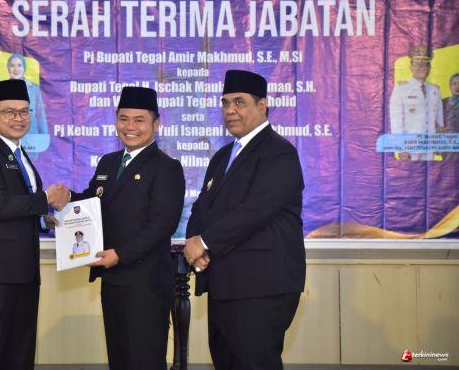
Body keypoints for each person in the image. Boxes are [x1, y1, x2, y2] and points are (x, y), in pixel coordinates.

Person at [184, 70, 306, 370]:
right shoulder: (222, 156)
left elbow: (255, 211)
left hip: (262, 286)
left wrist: (204, 242)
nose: (230, 110)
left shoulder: (279, 153)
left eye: (239, 102)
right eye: (225, 103)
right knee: (226, 362)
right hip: (224, 283)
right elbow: (202, 208)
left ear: (262, 106)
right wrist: (196, 247)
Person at [70, 86, 185, 370]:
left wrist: (120, 254)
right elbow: (92, 203)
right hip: (112, 280)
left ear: (156, 124)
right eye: (123, 118)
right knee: (119, 358)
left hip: (146, 284)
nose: (130, 126)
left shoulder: (167, 167)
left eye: (139, 120)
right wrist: (65, 202)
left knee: (144, 360)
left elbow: (162, 225)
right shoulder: (108, 162)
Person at [0, 79, 69, 369]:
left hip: (24, 271)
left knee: (19, 355)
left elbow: (18, 205)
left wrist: (44, 218)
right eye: (9, 112)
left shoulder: (18, 152)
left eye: (24, 111)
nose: (18, 118)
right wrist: (45, 198)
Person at [389, 45, 444, 161]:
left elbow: (439, 120)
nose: (421, 67)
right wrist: (401, 148)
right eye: (417, 64)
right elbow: (396, 120)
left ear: (429, 67)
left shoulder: (435, 90)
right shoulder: (401, 89)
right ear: (411, 67)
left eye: (425, 64)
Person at [7, 53, 48, 134]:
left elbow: (40, 116)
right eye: (12, 65)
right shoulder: (1, 88)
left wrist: (44, 136)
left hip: (31, 135)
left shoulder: (34, 89)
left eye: (19, 65)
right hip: (9, 135)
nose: (16, 69)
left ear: (24, 68)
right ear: (8, 68)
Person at [442, 73, 458, 161]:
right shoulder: (443, 102)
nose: (457, 86)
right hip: (448, 143)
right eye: (454, 84)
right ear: (450, 86)